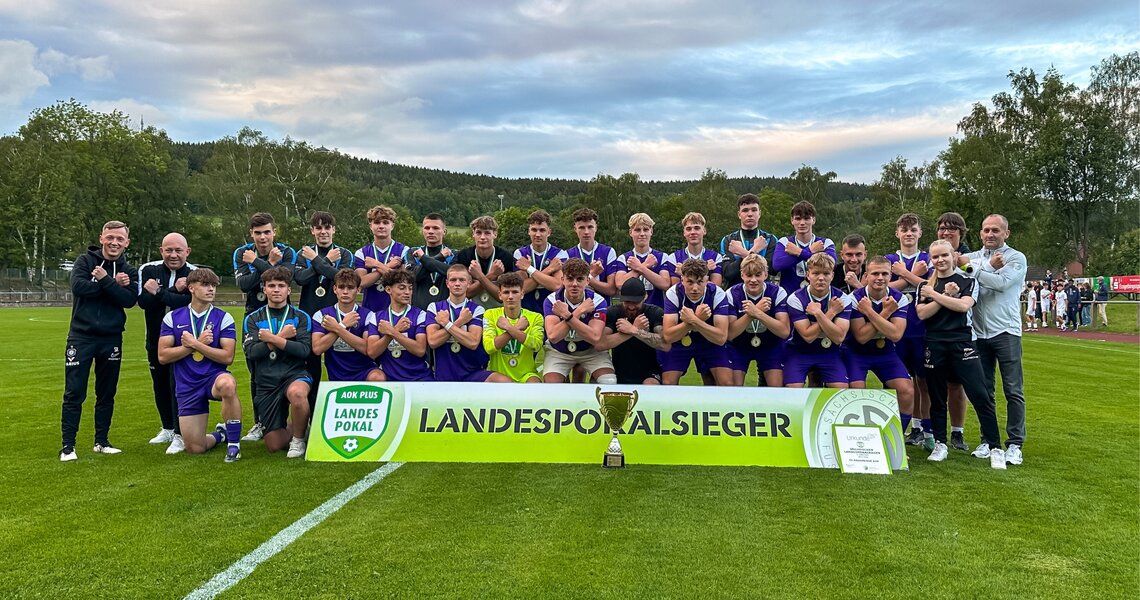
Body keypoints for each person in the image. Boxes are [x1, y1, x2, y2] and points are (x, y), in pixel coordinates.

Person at [916, 240, 1005, 469]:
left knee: (980, 395)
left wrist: (937, 295)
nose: (940, 260)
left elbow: (963, 306)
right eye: (935, 257)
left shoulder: (967, 281)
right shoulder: (925, 285)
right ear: (931, 260)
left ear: (953, 256)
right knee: (937, 397)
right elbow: (922, 314)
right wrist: (944, 295)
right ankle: (940, 444)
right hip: (935, 344)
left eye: (944, 255)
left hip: (963, 343)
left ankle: (995, 447)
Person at [60, 221, 139, 461]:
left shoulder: (129, 270)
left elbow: (128, 300)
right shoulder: (85, 262)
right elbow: (80, 288)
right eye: (110, 237)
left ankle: (101, 442)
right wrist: (113, 284)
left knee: (106, 393)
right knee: (74, 392)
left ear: (127, 243)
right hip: (81, 336)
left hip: (111, 338)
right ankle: (68, 446)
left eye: (120, 239)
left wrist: (106, 281)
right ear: (101, 238)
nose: (114, 242)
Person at [156, 268, 242, 462]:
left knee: (228, 384)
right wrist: (194, 345)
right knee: (195, 448)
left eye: (213, 285)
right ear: (191, 288)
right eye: (205, 285)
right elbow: (163, 356)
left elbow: (227, 357)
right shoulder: (172, 317)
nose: (211, 289)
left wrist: (195, 344)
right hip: (187, 385)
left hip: (213, 379)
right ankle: (221, 435)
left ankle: (234, 444)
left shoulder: (223, 317)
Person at [965, 214, 1027, 466]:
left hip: (1007, 331)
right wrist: (981, 267)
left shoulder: (1015, 257)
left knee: (1013, 390)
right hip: (979, 332)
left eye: (995, 230)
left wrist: (972, 269)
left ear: (1006, 233)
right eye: (986, 230)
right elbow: (958, 276)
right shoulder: (972, 257)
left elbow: (1001, 283)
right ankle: (988, 440)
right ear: (980, 233)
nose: (990, 234)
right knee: (984, 391)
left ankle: (1015, 444)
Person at [233, 212, 296, 442]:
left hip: (284, 316)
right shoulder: (242, 253)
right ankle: (260, 423)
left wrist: (259, 264)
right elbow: (244, 284)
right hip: (254, 316)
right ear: (251, 233)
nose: (262, 237)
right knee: (257, 371)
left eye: (267, 232)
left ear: (274, 232)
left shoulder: (287, 252)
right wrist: (269, 264)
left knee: (289, 368)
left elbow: (286, 277)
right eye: (258, 233)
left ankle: (291, 422)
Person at [242, 266, 313, 458]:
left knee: (298, 393)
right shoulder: (253, 319)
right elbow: (252, 352)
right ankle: (300, 427)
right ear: (264, 289)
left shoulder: (300, 317)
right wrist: (282, 337)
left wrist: (271, 339)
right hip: (266, 381)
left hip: (294, 374)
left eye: (281, 286)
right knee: (275, 445)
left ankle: (298, 439)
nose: (276, 290)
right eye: (271, 285)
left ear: (288, 290)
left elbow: (304, 351)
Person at [137, 232, 195, 454]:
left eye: (178, 250)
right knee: (160, 384)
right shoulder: (148, 270)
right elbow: (144, 302)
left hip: (184, 342)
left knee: (179, 386)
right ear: (161, 251)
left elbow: (186, 302)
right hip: (155, 340)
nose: (173, 255)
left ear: (187, 251)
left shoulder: (193, 273)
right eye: (168, 250)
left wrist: (160, 292)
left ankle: (181, 433)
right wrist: (171, 291)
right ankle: (168, 428)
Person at [295, 211, 355, 420]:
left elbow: (342, 279)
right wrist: (322, 261)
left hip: (337, 319)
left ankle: (341, 415)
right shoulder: (303, 253)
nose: (323, 232)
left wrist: (318, 261)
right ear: (312, 230)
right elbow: (300, 279)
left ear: (334, 230)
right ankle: (312, 419)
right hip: (309, 319)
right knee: (311, 371)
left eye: (327, 227)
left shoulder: (344, 254)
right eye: (318, 227)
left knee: (340, 367)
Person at [845, 256, 915, 432]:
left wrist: (870, 312)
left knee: (906, 390)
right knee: (856, 391)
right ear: (866, 275)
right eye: (875, 273)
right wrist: (886, 314)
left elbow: (896, 334)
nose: (880, 278)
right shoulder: (854, 298)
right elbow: (861, 336)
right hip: (856, 352)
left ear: (890, 275)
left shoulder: (899, 298)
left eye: (885, 274)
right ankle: (859, 436)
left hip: (886, 352)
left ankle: (896, 436)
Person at [885, 213, 935, 450]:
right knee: (895, 383)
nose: (908, 234)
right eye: (904, 230)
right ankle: (894, 429)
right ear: (897, 233)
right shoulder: (889, 260)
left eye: (913, 230)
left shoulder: (928, 259)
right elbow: (880, 286)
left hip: (921, 330)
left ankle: (926, 430)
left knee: (923, 382)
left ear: (920, 233)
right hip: (895, 331)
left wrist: (904, 274)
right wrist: (913, 277)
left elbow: (932, 287)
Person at [427, 265, 513, 383]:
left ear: (469, 283)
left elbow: (472, 342)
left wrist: (446, 323)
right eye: (453, 280)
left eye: (462, 280)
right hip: (444, 376)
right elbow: (433, 341)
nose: (457, 284)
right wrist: (460, 322)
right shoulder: (434, 307)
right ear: (447, 283)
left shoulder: (477, 309)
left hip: (472, 374)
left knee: (504, 381)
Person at [542, 258, 616, 384]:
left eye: (580, 279)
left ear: (587, 281)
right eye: (570, 279)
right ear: (563, 280)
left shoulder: (597, 301)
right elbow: (553, 336)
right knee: (552, 386)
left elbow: (595, 337)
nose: (574, 284)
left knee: (608, 381)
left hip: (590, 351)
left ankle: (592, 390)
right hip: (559, 351)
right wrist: (579, 311)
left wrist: (567, 315)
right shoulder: (552, 300)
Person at [661, 258, 733, 386]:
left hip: (710, 342)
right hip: (680, 341)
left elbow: (721, 338)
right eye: (690, 282)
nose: (695, 288)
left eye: (700, 282)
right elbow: (668, 336)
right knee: (668, 382)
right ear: (682, 279)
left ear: (707, 280)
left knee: (726, 382)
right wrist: (696, 319)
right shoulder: (673, 293)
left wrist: (694, 319)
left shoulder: (718, 293)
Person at [782, 254, 851, 388]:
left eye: (826, 273)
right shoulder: (795, 299)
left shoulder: (843, 299)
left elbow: (838, 337)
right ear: (808, 275)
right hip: (800, 351)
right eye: (816, 273)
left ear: (832, 275)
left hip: (830, 352)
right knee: (793, 389)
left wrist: (818, 314)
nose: (821, 278)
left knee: (840, 390)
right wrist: (831, 313)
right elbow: (808, 336)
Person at [311, 268, 384, 383]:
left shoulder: (369, 315)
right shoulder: (321, 315)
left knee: (378, 377)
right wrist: (343, 324)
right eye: (341, 287)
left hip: (364, 371)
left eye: (350, 287)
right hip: (336, 374)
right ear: (335, 289)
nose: (345, 292)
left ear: (358, 289)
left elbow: (368, 349)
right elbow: (317, 349)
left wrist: (338, 328)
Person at [726, 255, 789, 387]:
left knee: (777, 389)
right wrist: (750, 315)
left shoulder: (778, 292)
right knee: (732, 388)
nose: (753, 280)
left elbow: (784, 331)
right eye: (749, 275)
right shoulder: (731, 293)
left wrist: (758, 313)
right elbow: (730, 334)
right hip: (739, 346)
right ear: (742, 275)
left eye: (758, 275)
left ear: (766, 274)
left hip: (770, 345)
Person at [598, 278, 670, 385]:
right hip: (619, 371)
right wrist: (631, 331)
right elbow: (600, 344)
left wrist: (634, 330)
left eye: (636, 302)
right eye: (627, 302)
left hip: (649, 372)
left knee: (650, 384)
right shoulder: (613, 312)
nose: (631, 307)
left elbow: (665, 345)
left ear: (645, 297)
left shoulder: (654, 312)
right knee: (605, 381)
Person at [369, 269, 435, 382]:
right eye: (402, 288)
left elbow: (420, 350)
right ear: (388, 289)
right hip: (389, 378)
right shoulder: (376, 317)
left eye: (410, 288)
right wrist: (394, 331)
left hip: (419, 377)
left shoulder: (420, 315)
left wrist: (393, 332)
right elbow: (372, 352)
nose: (407, 292)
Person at [482, 272, 544, 383]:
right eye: (506, 292)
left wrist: (508, 327)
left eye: (515, 292)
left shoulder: (535, 317)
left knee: (535, 384)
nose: (510, 296)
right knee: (503, 383)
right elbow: (489, 347)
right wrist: (517, 328)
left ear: (522, 294)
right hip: (498, 373)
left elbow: (537, 345)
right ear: (500, 295)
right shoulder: (490, 314)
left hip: (526, 374)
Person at [772, 201, 836, 294]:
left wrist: (799, 252)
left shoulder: (825, 243)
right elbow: (777, 265)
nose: (802, 223)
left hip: (817, 297)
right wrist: (810, 251)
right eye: (798, 219)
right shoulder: (785, 242)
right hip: (789, 296)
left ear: (813, 220)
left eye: (806, 218)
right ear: (792, 220)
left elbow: (832, 264)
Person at [354, 205, 409, 314]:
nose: (381, 226)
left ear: (392, 226)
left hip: (397, 311)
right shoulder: (361, 253)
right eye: (377, 222)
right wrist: (388, 266)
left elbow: (403, 282)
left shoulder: (404, 250)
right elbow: (361, 282)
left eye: (385, 222)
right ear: (371, 225)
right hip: (369, 311)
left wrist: (376, 265)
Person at [454, 215, 516, 309]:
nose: (482, 237)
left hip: (497, 309)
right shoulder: (464, 256)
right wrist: (492, 275)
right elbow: (464, 294)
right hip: (471, 310)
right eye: (478, 232)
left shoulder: (506, 257)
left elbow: (503, 297)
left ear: (495, 234)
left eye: (487, 233)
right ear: (473, 234)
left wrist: (478, 277)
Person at [612, 213, 671, 308]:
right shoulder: (623, 258)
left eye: (646, 230)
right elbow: (620, 284)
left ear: (651, 231)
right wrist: (645, 265)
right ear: (630, 232)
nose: (642, 234)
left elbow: (665, 284)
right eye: (637, 230)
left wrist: (639, 267)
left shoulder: (662, 257)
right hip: (631, 310)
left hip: (656, 310)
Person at [720, 193, 779, 289]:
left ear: (759, 213)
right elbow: (728, 273)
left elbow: (773, 270)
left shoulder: (770, 239)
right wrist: (755, 251)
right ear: (739, 214)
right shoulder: (728, 240)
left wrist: (742, 253)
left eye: (754, 210)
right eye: (745, 210)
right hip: (735, 293)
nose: (750, 214)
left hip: (763, 293)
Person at [514, 209, 565, 314]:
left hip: (552, 311)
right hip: (526, 309)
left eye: (542, 230)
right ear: (529, 231)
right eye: (534, 230)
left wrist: (529, 269)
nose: (537, 234)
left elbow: (557, 285)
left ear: (549, 232)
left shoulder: (560, 254)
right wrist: (549, 269)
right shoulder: (520, 254)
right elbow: (522, 288)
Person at [564, 208, 619, 297]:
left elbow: (611, 289)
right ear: (575, 229)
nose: (586, 232)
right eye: (581, 228)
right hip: (577, 305)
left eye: (590, 227)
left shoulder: (608, 252)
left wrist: (588, 278)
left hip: (602, 305)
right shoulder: (567, 254)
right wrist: (592, 273)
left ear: (596, 227)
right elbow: (567, 287)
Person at [666, 212, 724, 287]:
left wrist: (684, 273)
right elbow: (676, 289)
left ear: (704, 231)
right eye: (688, 229)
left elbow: (715, 288)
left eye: (697, 228)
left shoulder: (716, 257)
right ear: (684, 233)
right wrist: (705, 271)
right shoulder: (674, 258)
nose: (692, 232)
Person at [409, 213, 454, 309]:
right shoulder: (413, 252)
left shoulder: (454, 254)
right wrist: (440, 257)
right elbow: (414, 276)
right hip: (418, 311)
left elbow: (452, 273)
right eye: (427, 228)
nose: (430, 231)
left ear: (444, 231)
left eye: (435, 228)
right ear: (422, 231)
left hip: (446, 311)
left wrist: (423, 258)